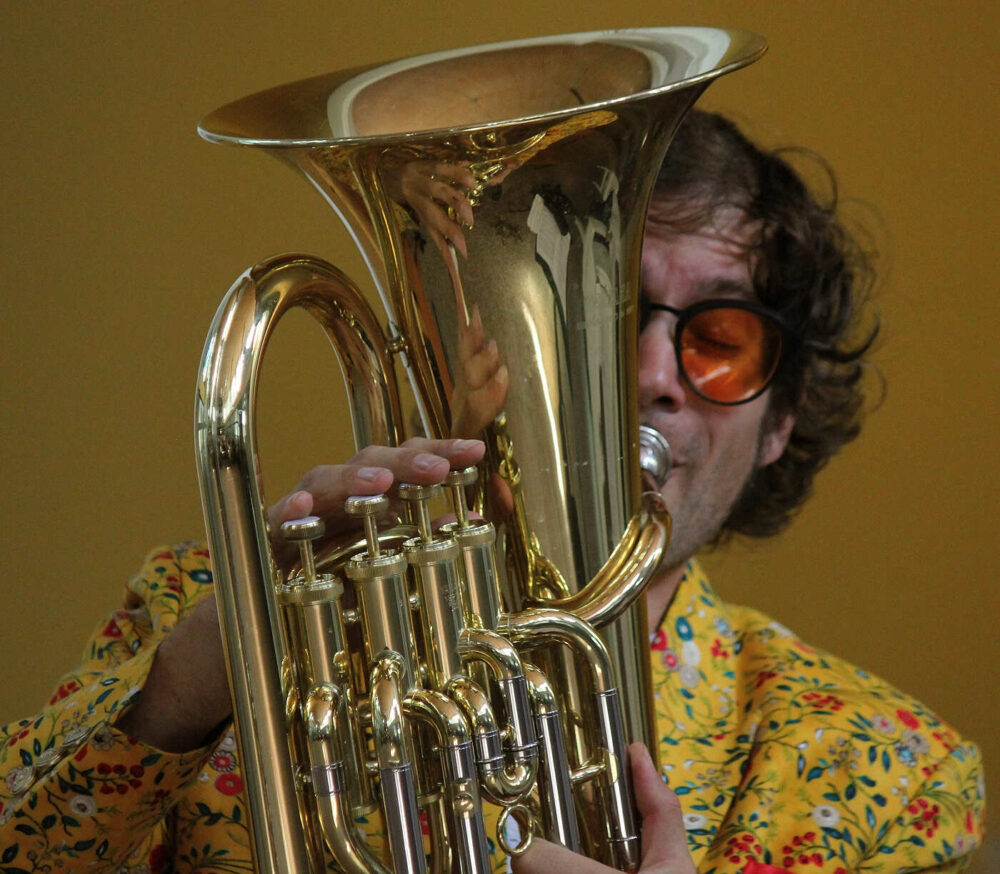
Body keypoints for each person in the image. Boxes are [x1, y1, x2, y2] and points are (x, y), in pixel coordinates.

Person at [0, 111, 984, 873]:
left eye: (722, 341)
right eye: (609, 314)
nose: (651, 372)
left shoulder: (890, 770)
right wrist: (184, 693)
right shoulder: (207, 617)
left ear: (779, 424)